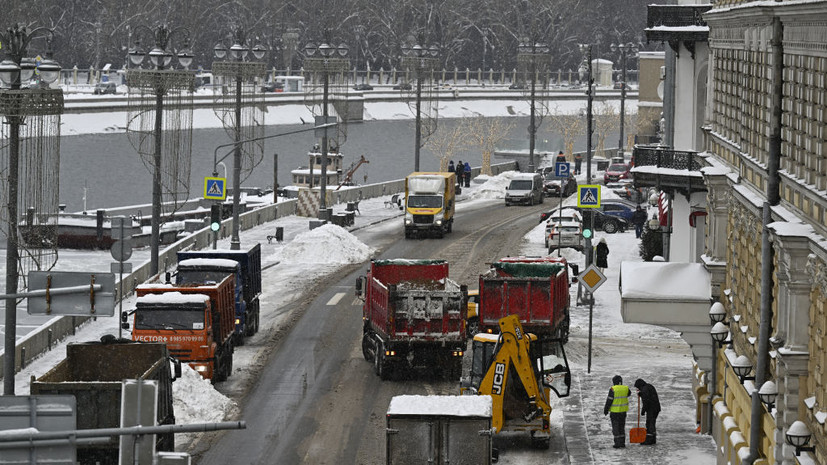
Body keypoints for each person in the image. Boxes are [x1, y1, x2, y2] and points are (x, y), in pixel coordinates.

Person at [604, 374, 630, 449]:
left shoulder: (613, 389)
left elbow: (609, 400)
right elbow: (629, 394)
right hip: (623, 412)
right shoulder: (626, 388)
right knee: (622, 427)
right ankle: (622, 442)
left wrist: (606, 410)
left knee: (616, 428)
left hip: (615, 412)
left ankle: (617, 443)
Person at [634, 378, 661, 445]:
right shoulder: (649, 386)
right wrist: (641, 394)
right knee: (652, 423)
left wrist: (643, 410)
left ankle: (649, 440)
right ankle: (653, 439)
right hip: (656, 408)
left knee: (649, 424)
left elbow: (646, 401)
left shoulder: (644, 390)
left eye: (638, 387)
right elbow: (649, 396)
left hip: (651, 409)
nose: (638, 388)